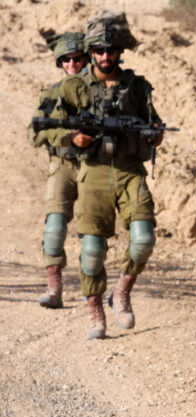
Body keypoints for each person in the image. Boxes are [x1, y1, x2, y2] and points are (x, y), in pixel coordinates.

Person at [55, 10, 164, 340]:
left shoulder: (137, 86)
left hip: (131, 172)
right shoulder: (75, 87)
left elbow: (154, 123)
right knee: (92, 251)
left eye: (111, 50)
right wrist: (73, 138)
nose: (105, 56)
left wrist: (154, 135)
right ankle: (96, 313)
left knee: (143, 240)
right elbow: (48, 129)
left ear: (121, 51)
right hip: (94, 172)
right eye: (99, 50)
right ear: (91, 51)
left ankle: (122, 290)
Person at [28, 30, 89, 309]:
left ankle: (93, 292)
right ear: (60, 62)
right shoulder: (51, 94)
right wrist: (65, 137)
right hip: (62, 164)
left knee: (92, 233)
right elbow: (34, 134)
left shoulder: (99, 93)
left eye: (77, 58)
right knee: (54, 228)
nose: (73, 64)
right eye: (66, 59)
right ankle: (54, 288)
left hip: (94, 165)